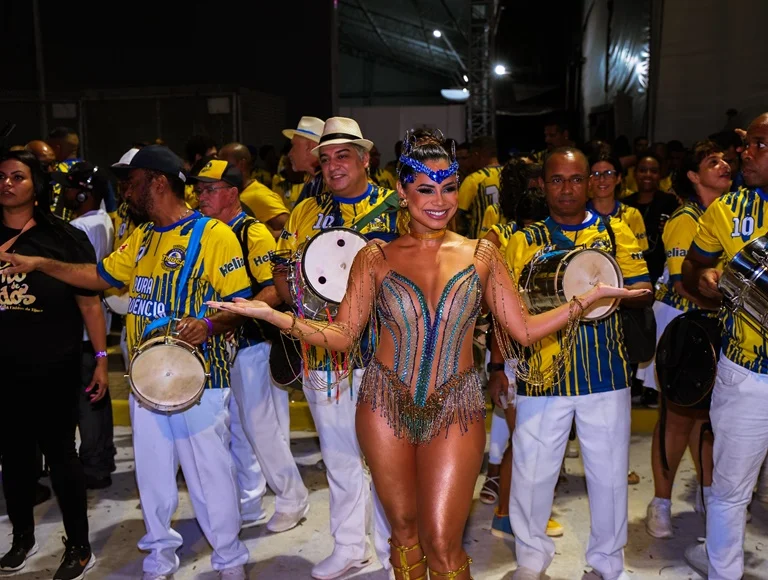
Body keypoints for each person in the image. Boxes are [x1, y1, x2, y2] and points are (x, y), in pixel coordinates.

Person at [210, 132, 646, 580]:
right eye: (425, 188)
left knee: (443, 543)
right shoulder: (374, 257)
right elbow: (342, 336)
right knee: (402, 533)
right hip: (384, 405)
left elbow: (523, 329)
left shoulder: (482, 255)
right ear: (402, 192)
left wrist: (586, 299)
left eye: (449, 187)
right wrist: (271, 314)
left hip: (456, 407)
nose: (439, 200)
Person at [0, 145, 253, 580]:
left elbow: (241, 303)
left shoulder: (214, 235)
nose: (124, 191)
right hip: (145, 381)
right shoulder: (143, 237)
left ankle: (229, 561)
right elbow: (98, 278)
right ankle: (159, 557)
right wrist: (41, 263)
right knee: (153, 480)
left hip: (200, 382)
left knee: (210, 477)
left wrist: (210, 325)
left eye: (130, 181)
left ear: (157, 181)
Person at [504, 147, 653, 580]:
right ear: (543, 184)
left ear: (590, 182)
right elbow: (505, 306)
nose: (566, 188)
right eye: (556, 180)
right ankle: (531, 561)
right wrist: (500, 369)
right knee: (532, 476)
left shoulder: (615, 231)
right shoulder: (524, 239)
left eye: (575, 179)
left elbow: (645, 287)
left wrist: (613, 291)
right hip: (542, 373)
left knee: (608, 477)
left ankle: (608, 563)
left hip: (605, 372)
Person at [271, 117, 399, 580]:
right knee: (340, 453)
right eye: (324, 158)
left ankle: (394, 552)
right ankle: (350, 546)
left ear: (365, 159)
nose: (332, 166)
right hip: (324, 349)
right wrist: (302, 310)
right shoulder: (307, 210)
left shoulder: (397, 207)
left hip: (384, 350)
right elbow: (283, 272)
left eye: (343, 156)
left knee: (387, 456)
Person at [0, 150, 109, 579]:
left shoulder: (64, 237)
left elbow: (91, 303)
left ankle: (79, 547)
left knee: (62, 456)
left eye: (17, 177)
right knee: (14, 459)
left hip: (54, 365)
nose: (7, 183)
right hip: (4, 369)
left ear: (36, 185)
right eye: (2, 176)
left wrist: (101, 359)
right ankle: (22, 539)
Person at [190, 158, 310, 532]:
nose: (200, 196)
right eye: (199, 189)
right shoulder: (207, 231)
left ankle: (292, 497)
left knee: (262, 428)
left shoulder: (252, 232)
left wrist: (237, 314)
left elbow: (274, 288)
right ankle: (250, 499)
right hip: (226, 346)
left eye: (209, 189)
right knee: (240, 429)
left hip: (254, 343)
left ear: (232, 192)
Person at [681, 113, 768, 579]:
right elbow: (690, 270)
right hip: (748, 374)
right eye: (746, 144)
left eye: (758, 145)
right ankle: (724, 572)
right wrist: (705, 281)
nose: (744, 154)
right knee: (731, 491)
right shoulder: (727, 210)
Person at [636, 140, 729, 540]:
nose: (725, 165)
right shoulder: (686, 219)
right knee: (675, 419)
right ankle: (660, 502)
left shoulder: (727, 214)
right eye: (713, 162)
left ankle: (709, 493)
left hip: (714, 324)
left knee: (706, 420)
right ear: (694, 176)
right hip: (685, 325)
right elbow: (684, 283)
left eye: (727, 160)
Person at [54, 162, 118, 490]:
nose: (63, 193)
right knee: (96, 399)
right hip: (93, 325)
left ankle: (93, 465)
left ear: (83, 191)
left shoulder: (80, 227)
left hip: (80, 326)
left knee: (86, 401)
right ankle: (100, 460)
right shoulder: (103, 220)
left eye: (68, 187)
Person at [623, 153, 681, 284]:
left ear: (660, 175)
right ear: (635, 174)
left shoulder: (670, 202)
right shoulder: (625, 204)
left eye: (653, 171)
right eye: (643, 170)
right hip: (630, 272)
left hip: (661, 272)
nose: (647, 175)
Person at [218, 142, 290, 236]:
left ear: (241, 164)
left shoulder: (260, 195)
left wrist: (258, 237)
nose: (219, 169)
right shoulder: (235, 192)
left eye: (224, 164)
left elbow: (291, 231)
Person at [587, 153, 649, 252]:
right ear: (588, 180)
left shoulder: (631, 215)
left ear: (618, 178)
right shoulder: (580, 215)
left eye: (608, 174)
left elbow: (640, 257)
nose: (602, 179)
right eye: (596, 174)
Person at [456, 136, 502, 238]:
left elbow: (458, 215)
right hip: (506, 239)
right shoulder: (510, 175)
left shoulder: (474, 179)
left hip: (480, 241)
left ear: (476, 155)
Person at [283, 116, 327, 205]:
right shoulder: (313, 182)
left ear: (310, 147)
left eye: (294, 146)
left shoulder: (329, 186)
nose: (290, 153)